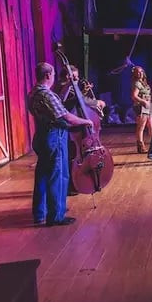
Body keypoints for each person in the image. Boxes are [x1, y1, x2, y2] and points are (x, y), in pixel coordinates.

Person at [28, 62, 93, 227]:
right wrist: (86, 121)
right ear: (48, 75)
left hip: (40, 136)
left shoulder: (34, 93)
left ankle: (39, 214)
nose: (55, 77)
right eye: (54, 75)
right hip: (54, 136)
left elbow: (59, 105)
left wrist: (69, 85)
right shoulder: (47, 95)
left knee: (42, 175)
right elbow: (66, 117)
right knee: (58, 175)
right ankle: (56, 216)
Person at [130, 66, 152, 153]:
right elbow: (134, 96)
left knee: (150, 125)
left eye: (141, 72)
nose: (140, 74)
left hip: (148, 105)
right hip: (141, 106)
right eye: (138, 72)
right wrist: (143, 101)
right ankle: (141, 146)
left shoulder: (143, 82)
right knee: (141, 127)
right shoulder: (136, 83)